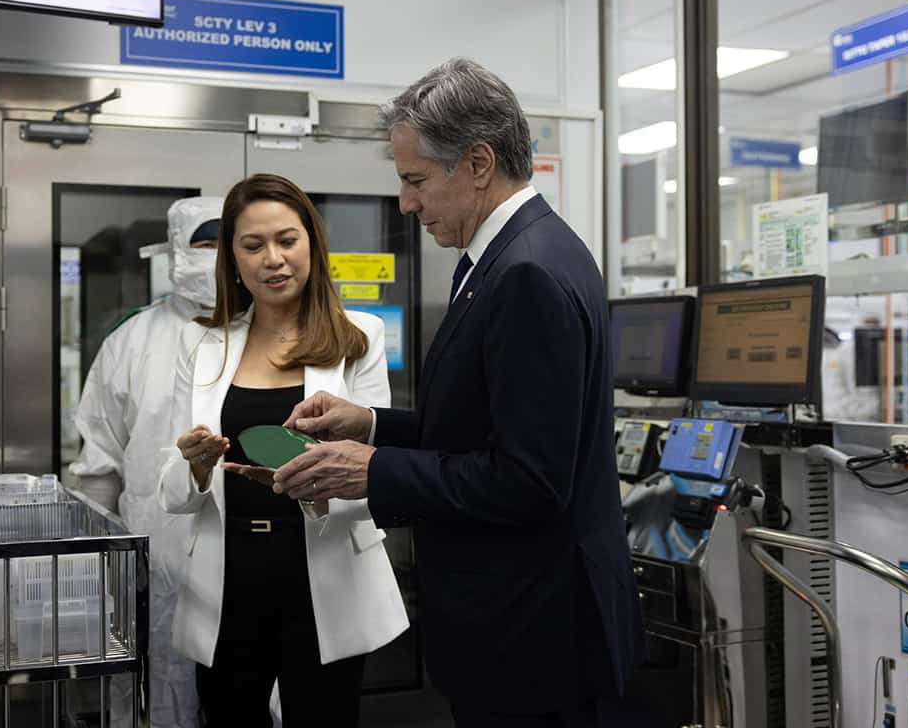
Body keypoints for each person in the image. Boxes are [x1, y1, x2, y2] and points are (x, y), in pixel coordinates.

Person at [271, 58, 646, 727]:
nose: (406, 203)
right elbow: (486, 427)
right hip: (520, 623)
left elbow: (529, 480)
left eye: (415, 180)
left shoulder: (528, 274)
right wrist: (373, 427)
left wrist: (374, 473)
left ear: (477, 163)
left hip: (537, 636)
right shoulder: (502, 258)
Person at [156, 173, 408, 728]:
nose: (273, 259)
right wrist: (196, 466)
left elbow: (375, 473)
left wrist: (317, 480)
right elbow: (174, 493)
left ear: (312, 245)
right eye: (253, 245)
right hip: (228, 584)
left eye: (287, 240)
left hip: (323, 576)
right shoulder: (201, 346)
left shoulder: (357, 337)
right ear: (234, 259)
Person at [72, 196, 222, 728]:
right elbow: (98, 466)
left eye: (233, 243)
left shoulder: (280, 334)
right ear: (177, 252)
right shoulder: (131, 342)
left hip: (253, 562)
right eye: (205, 244)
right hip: (156, 564)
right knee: (162, 693)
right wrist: (94, 572)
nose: (219, 257)